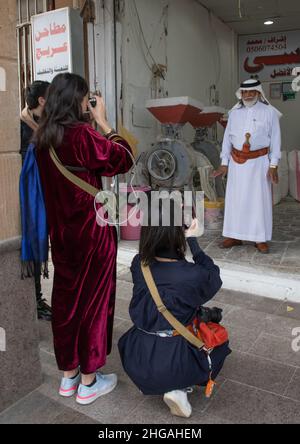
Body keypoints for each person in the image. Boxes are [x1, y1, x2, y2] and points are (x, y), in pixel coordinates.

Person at [35, 73, 134, 405]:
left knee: (66, 303)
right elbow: (124, 158)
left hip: (61, 236)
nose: (87, 102)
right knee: (93, 303)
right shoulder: (83, 136)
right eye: (86, 97)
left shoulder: (42, 139)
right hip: (92, 233)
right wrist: (104, 121)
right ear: (76, 100)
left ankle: (69, 376)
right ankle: (89, 381)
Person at [118, 205, 231, 418]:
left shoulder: (138, 265)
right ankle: (179, 386)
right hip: (173, 363)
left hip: (136, 357)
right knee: (220, 341)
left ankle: (161, 381)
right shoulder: (192, 275)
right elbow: (213, 276)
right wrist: (192, 240)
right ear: (178, 233)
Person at [213, 78, 282, 254]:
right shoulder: (234, 113)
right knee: (236, 200)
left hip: (259, 163)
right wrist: (224, 163)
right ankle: (234, 235)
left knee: (258, 202)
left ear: (258, 93)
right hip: (237, 164)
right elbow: (227, 140)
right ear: (241, 94)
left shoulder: (269, 112)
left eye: (252, 92)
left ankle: (259, 238)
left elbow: (275, 140)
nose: (248, 95)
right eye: (245, 92)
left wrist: (273, 165)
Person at [20, 80, 52, 321]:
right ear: (42, 100)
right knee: (33, 245)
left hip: (46, 198)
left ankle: (37, 299)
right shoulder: (21, 130)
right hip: (30, 202)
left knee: (40, 245)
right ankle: (35, 301)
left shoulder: (42, 123)